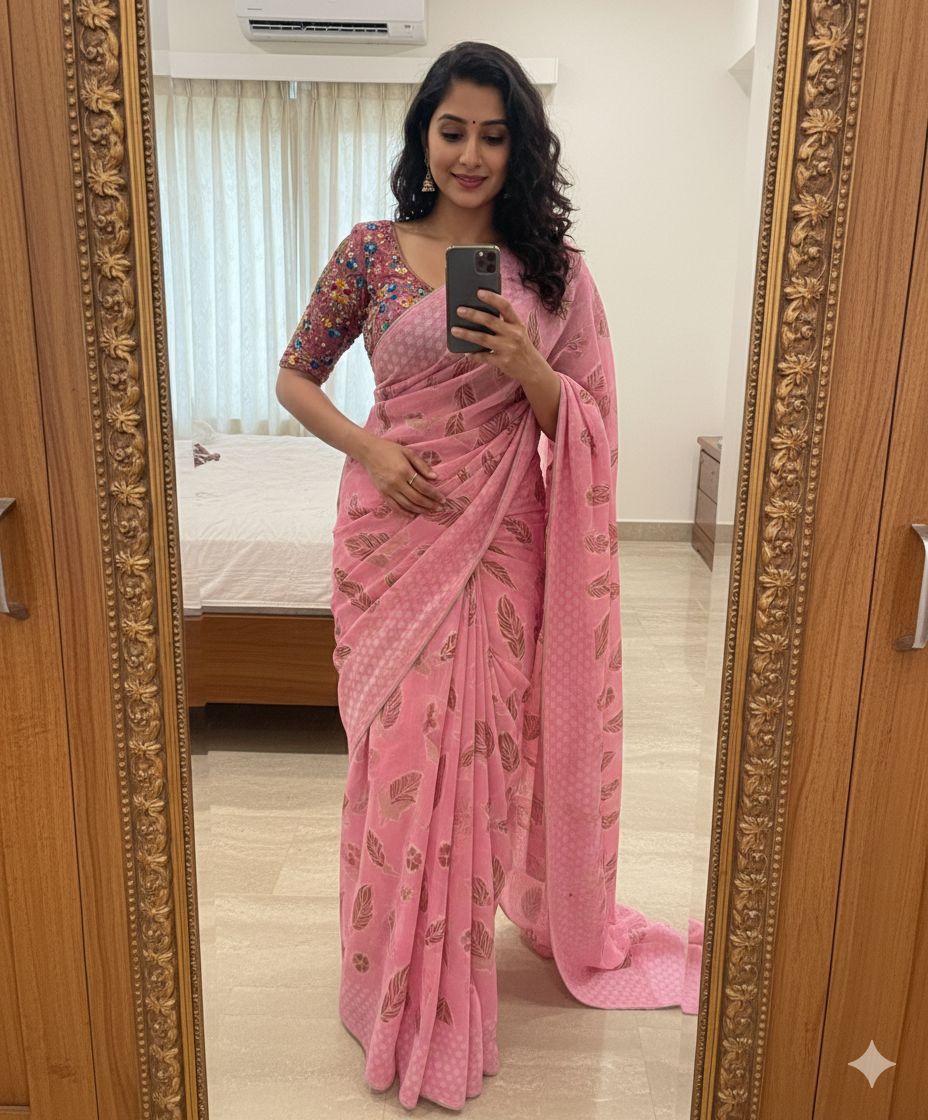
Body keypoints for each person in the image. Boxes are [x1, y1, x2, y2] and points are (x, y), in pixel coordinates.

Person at [276, 40, 703, 1112]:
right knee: (397, 753)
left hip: (503, 544)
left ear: (521, 147)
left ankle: (451, 985)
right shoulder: (370, 252)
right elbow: (294, 376)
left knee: (479, 756)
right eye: (453, 130)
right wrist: (370, 450)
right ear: (423, 135)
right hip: (391, 538)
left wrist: (528, 367)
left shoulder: (556, 274)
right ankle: (385, 976)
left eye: (494, 134)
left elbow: (589, 424)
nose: (470, 154)